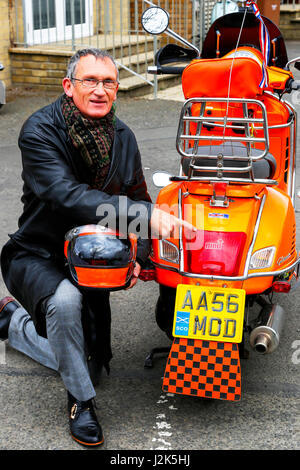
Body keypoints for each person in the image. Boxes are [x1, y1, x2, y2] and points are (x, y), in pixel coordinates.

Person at [0, 48, 194, 447]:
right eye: (90, 81)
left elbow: (138, 195)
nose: (100, 90)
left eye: (108, 82)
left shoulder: (122, 136)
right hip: (41, 253)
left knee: (91, 363)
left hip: (95, 258)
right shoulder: (39, 131)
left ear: (117, 89)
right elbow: (66, 195)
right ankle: (81, 403)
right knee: (66, 307)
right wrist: (146, 218)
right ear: (69, 86)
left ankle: (12, 323)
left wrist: (139, 255)